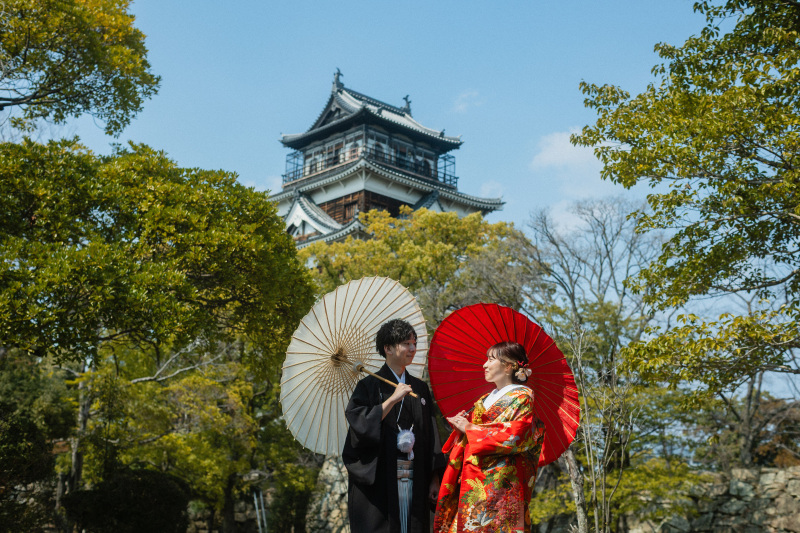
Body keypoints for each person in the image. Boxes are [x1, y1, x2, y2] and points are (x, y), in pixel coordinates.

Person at [342, 318, 443, 533]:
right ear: (388, 348)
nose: (413, 348)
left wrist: (435, 477)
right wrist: (391, 400)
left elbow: (431, 435)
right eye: (406, 343)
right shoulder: (368, 386)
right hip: (382, 476)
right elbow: (359, 424)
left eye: (414, 343)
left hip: (416, 475)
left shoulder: (419, 388)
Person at [433, 341, 546, 533]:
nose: (485, 365)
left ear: (508, 366)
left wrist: (470, 428)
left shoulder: (523, 397)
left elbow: (516, 434)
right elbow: (472, 434)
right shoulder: (483, 400)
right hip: (473, 473)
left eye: (491, 359)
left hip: (500, 483)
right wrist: (461, 429)